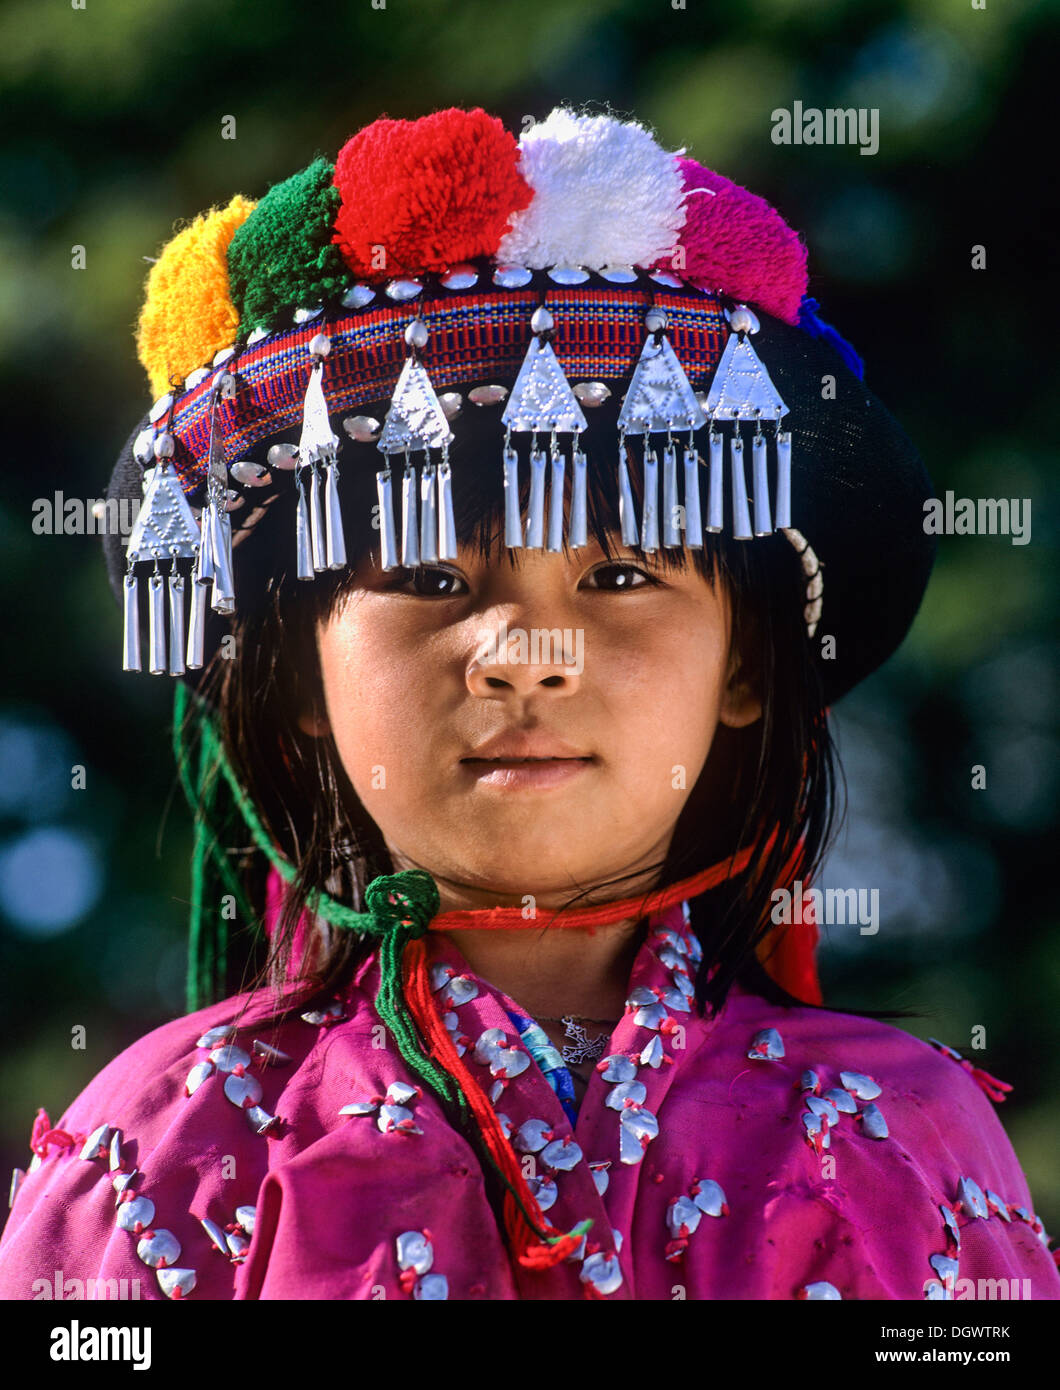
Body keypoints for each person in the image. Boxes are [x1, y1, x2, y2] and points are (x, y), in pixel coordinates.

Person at [1, 104, 1056, 1302]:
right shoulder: (162, 1145)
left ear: (748, 671)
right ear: (295, 675)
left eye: (618, 575)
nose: (523, 652)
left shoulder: (897, 1129)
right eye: (429, 576)